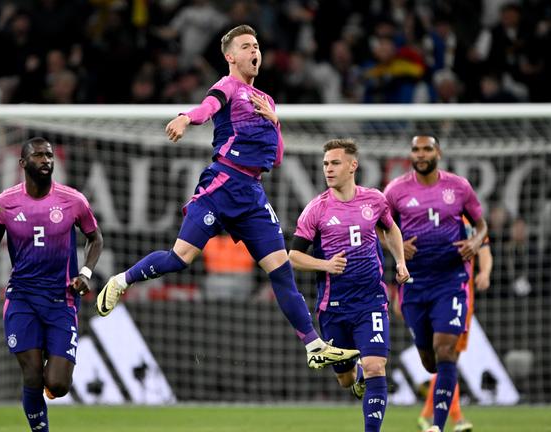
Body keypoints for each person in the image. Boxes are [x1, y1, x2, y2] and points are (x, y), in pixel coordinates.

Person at [96, 24, 359, 368]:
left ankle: (313, 346)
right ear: (230, 56)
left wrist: (275, 122)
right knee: (180, 258)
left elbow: (277, 158)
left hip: (252, 193)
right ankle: (120, 281)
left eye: (257, 45)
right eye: (247, 46)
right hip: (222, 183)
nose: (255, 51)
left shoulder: (266, 100)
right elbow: (207, 107)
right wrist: (185, 118)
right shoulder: (228, 86)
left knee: (281, 271)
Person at [0, 137, 103, 432]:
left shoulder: (73, 200)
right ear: (23, 164)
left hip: (62, 299)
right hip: (22, 298)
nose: (46, 160)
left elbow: (95, 238)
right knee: (32, 376)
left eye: (49, 155)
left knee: (57, 385)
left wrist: (85, 273)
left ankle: (51, 370)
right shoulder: (4, 204)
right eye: (38, 156)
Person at [289, 139, 410, 432]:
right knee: (345, 380)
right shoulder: (316, 209)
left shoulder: (374, 200)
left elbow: (390, 228)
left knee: (375, 367)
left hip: (371, 302)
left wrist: (401, 261)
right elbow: (292, 256)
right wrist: (325, 265)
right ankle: (353, 377)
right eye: (326, 164)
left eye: (335, 163)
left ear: (352, 166)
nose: (328, 169)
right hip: (334, 307)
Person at [383, 135, 488, 432]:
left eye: (427, 148)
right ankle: (442, 409)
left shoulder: (458, 186)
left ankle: (438, 426)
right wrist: (399, 247)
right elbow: (380, 229)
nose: (420, 154)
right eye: (415, 149)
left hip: (450, 280)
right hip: (414, 283)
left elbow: (482, 226)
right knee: (430, 361)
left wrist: (475, 243)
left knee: (445, 351)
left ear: (438, 152)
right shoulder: (396, 190)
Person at [408, 217, 493, 432]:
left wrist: (485, 272)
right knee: (446, 357)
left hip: (462, 299)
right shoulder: (429, 216)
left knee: (448, 358)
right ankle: (454, 418)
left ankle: (429, 416)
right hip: (435, 297)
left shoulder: (469, 222)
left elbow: (484, 250)